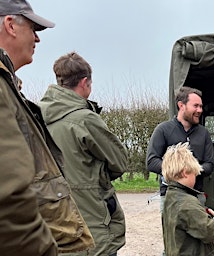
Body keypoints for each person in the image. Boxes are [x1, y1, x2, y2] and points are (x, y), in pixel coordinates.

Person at [0, 1, 94, 255]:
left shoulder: (9, 86)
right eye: (33, 28)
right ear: (10, 25)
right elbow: (9, 198)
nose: (37, 38)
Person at [39, 52, 128, 256]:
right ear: (85, 82)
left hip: (54, 226)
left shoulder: (36, 116)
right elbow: (120, 162)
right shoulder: (85, 120)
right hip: (91, 226)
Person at [146, 86, 214, 254]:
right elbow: (151, 161)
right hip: (170, 196)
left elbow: (210, 164)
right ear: (181, 105)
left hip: (197, 196)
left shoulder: (203, 133)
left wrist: (192, 170)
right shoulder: (163, 130)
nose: (200, 110)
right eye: (195, 106)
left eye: (201, 106)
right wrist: (176, 172)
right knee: (174, 243)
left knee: (200, 242)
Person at [161, 142, 214, 256]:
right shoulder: (187, 203)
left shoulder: (170, 197)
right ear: (185, 173)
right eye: (194, 174)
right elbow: (209, 232)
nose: (196, 178)